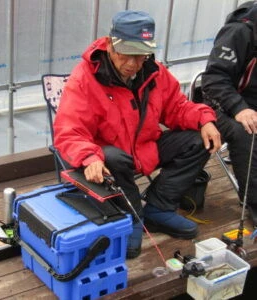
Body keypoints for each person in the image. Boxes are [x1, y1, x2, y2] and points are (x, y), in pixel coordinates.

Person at [54, 10, 221, 259]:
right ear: (110, 45)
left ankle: (158, 208)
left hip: (145, 149)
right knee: (113, 157)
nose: (133, 64)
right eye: (127, 54)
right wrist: (89, 157)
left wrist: (205, 119)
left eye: (141, 54)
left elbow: (177, 107)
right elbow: (68, 132)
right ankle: (130, 217)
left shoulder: (155, 72)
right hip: (105, 160)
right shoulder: (84, 79)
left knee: (200, 140)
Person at [201, 1, 257, 229]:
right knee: (248, 131)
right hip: (223, 103)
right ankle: (253, 201)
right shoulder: (241, 30)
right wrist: (239, 108)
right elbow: (213, 80)